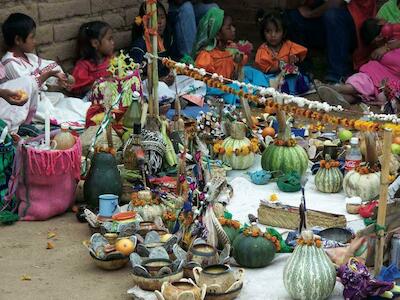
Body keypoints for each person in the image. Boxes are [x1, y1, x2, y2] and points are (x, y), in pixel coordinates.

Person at [1, 13, 90, 126]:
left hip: (42, 100)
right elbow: (28, 87)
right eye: (32, 37)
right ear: (18, 40)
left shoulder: (30, 57)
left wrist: (60, 77)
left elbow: (49, 66)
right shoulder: (9, 63)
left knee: (74, 104)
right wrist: (48, 75)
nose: (35, 41)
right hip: (28, 107)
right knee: (66, 114)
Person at [130, 1, 206, 109]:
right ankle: (177, 99)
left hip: (168, 84)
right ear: (144, 21)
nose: (160, 22)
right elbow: (136, 78)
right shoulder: (139, 46)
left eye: (162, 17)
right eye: (155, 18)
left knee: (198, 83)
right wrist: (160, 80)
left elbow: (173, 61)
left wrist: (179, 70)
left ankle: (173, 99)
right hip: (153, 86)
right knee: (158, 89)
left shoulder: (167, 39)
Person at [286, 0, 376, 83]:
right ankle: (303, 72)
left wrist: (311, 14)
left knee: (332, 15)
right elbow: (291, 4)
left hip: (356, 28)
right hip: (325, 22)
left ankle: (337, 75)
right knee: (293, 15)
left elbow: (336, 3)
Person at [318, 18, 400, 108]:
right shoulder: (379, 50)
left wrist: (388, 47)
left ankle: (337, 89)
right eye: (386, 23)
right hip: (375, 75)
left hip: (390, 83)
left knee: (368, 88)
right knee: (362, 84)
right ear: (378, 38)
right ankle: (339, 94)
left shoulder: (392, 41)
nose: (390, 23)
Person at [244, 11, 311, 95]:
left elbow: (298, 55)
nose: (273, 35)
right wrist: (280, 67)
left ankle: (292, 89)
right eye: (268, 31)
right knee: (263, 80)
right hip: (272, 77)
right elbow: (266, 70)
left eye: (277, 31)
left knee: (299, 77)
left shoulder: (288, 45)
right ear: (263, 33)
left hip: (287, 76)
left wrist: (295, 58)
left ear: (284, 32)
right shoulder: (263, 50)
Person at [71, 21, 114, 97]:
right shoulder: (83, 66)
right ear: (95, 43)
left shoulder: (110, 59)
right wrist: (102, 83)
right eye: (109, 39)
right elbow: (78, 90)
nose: (113, 42)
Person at [0, 62, 39, 134]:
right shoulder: (10, 62)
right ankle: (6, 130)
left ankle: (12, 128)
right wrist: (49, 74)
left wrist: (2, 92)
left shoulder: (32, 58)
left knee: (28, 81)